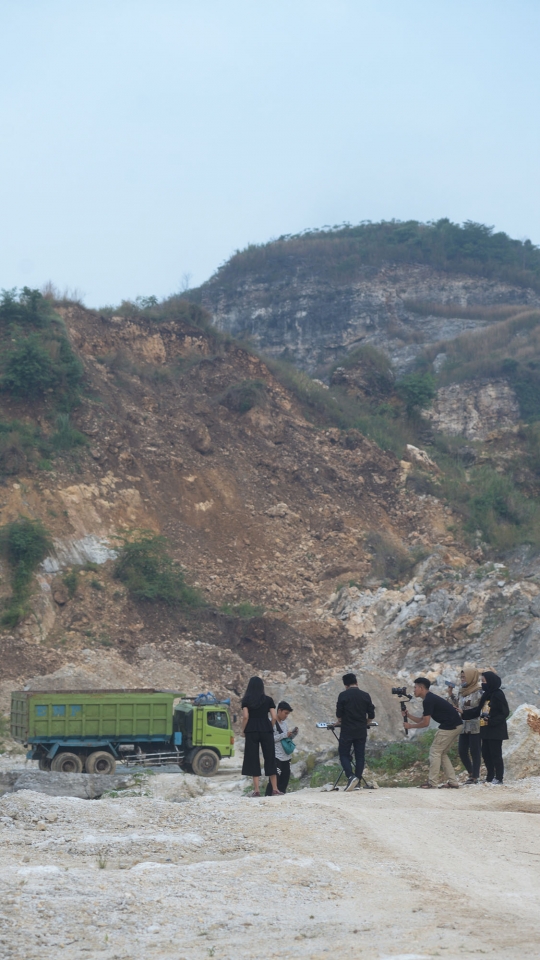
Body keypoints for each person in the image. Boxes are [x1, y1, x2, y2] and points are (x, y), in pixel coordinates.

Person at [404, 677, 463, 789]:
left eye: (415, 688)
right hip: (456, 725)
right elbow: (423, 719)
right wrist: (408, 716)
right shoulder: (429, 699)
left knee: (435, 752)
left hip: (449, 726)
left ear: (421, 688)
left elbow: (425, 723)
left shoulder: (428, 700)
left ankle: (432, 782)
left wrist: (410, 726)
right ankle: (453, 782)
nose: (414, 690)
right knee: (442, 753)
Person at [461, 671, 509, 785]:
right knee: (486, 754)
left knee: (495, 754)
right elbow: (477, 710)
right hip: (485, 729)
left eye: (484, 681)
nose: (482, 684)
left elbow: (504, 712)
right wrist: (463, 713)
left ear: (491, 681)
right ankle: (490, 776)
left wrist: (492, 720)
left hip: (496, 729)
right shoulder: (486, 694)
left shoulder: (498, 694)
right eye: (482, 681)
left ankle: (499, 777)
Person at [241, 676, 281, 797]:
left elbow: (245, 717)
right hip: (266, 729)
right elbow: (274, 717)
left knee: (253, 758)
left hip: (252, 730)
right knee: (270, 757)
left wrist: (243, 730)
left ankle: (257, 790)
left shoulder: (246, 700)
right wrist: (269, 726)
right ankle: (275, 789)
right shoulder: (268, 699)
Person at [335, 673, 375, 791]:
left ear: (345, 685)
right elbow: (371, 714)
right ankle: (357, 782)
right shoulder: (365, 695)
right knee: (360, 756)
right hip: (361, 730)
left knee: (343, 754)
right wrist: (366, 723)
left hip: (347, 730)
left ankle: (351, 776)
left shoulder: (343, 695)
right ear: (356, 682)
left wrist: (339, 721)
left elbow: (339, 715)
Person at [264, 701, 298, 796]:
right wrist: (284, 735)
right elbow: (269, 739)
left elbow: (286, 739)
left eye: (288, 714)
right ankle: (268, 796)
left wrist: (293, 734)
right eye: (285, 713)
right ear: (279, 710)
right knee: (275, 779)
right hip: (276, 755)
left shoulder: (284, 724)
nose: (286, 716)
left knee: (285, 779)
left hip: (286, 756)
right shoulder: (271, 722)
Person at [458, 666, 482, 784]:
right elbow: (457, 706)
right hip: (463, 725)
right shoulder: (462, 691)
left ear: (471, 677)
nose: (462, 679)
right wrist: (451, 694)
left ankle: (475, 776)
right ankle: (471, 772)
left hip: (475, 724)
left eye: (464, 677)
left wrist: (466, 713)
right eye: (461, 677)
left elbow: (480, 708)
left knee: (475, 750)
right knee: (462, 750)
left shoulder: (479, 691)